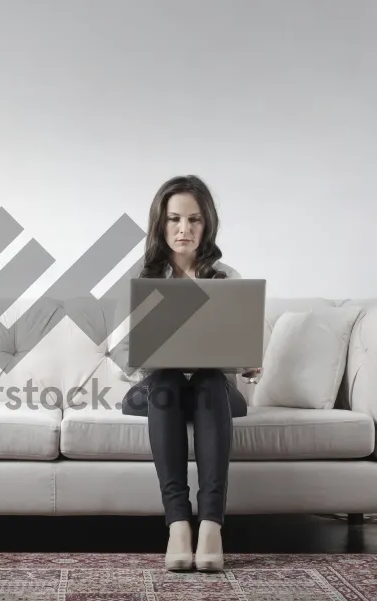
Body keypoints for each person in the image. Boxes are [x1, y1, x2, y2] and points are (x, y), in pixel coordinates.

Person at [114, 175, 260, 572]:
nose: (184, 229)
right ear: (160, 224)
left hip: (214, 387)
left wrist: (249, 362)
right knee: (167, 382)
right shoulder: (141, 277)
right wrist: (155, 353)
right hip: (158, 385)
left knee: (210, 381)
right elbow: (122, 354)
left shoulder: (225, 277)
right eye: (174, 219)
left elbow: (244, 355)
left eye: (194, 220)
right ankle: (178, 524)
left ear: (207, 223)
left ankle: (211, 525)